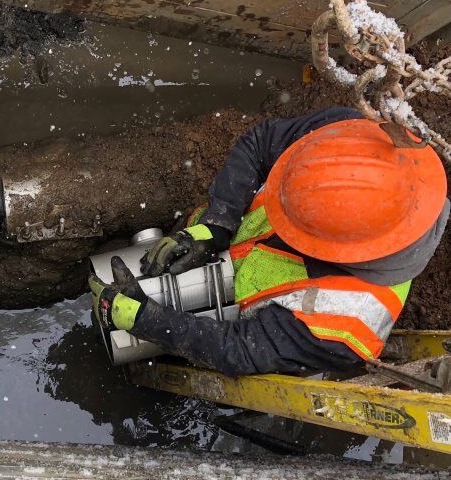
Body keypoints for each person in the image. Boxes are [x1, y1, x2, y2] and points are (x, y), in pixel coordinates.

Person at [90, 108, 449, 375]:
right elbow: (262, 143)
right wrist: (218, 222)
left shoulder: (346, 325)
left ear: (331, 249)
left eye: (293, 221)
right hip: (215, 249)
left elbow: (241, 350)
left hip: (241, 325)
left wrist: (151, 322)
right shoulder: (351, 143)